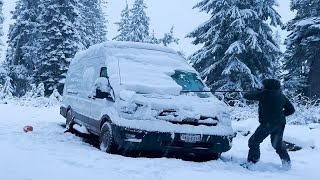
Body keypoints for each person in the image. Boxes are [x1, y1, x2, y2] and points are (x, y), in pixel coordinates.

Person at [243, 79, 295, 170]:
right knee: (277, 145)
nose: (262, 86)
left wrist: (258, 91)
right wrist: (281, 114)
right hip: (280, 123)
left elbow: (246, 96)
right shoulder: (281, 95)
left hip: (267, 124)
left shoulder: (264, 94)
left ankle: (252, 163)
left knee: (253, 142)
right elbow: (291, 110)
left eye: (263, 85)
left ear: (267, 86)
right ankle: (287, 164)